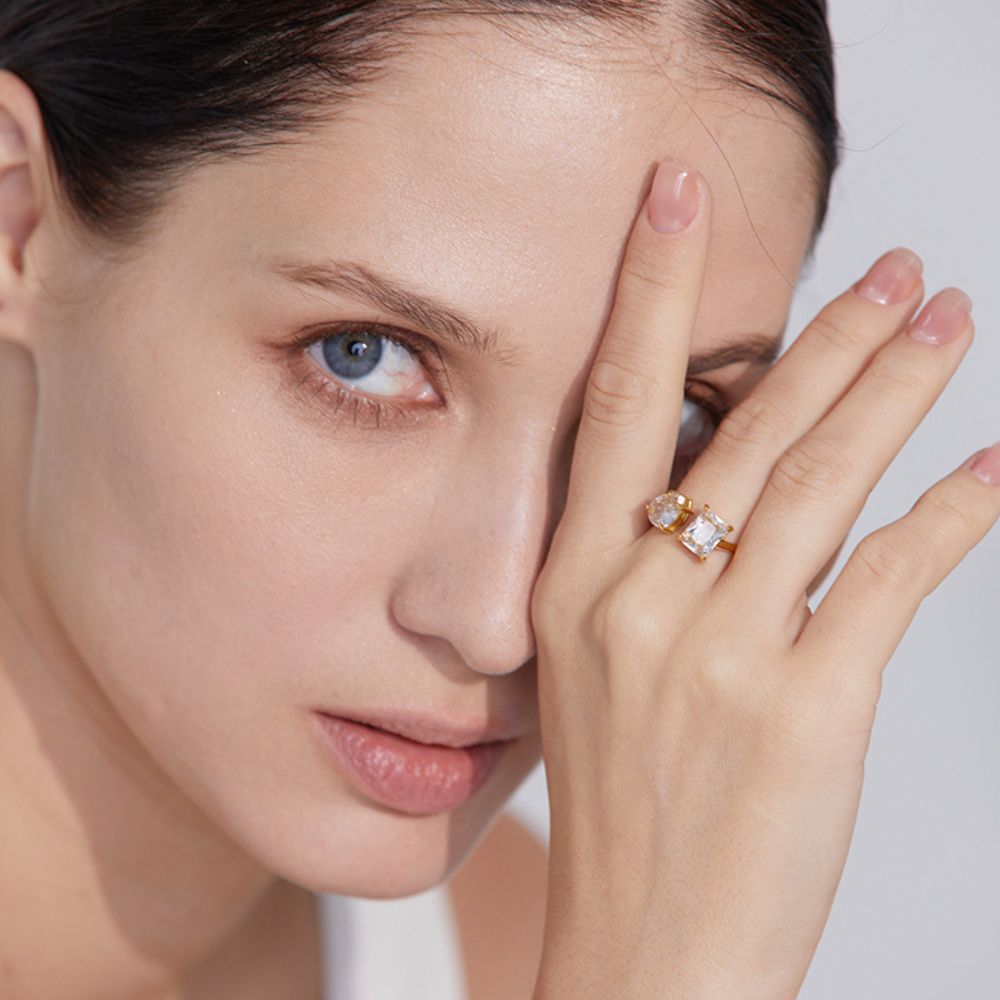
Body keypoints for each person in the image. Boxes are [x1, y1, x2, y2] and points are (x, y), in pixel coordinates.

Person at [1, 2, 996, 998]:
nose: (501, 626)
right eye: (365, 356)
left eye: (674, 416)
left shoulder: (548, 952)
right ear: (18, 221)